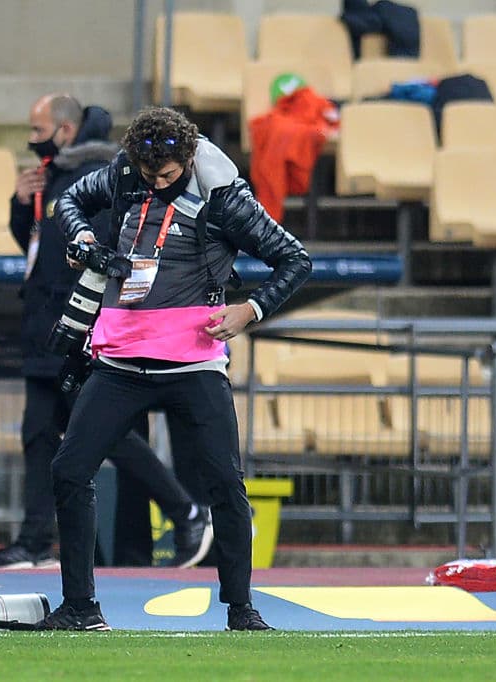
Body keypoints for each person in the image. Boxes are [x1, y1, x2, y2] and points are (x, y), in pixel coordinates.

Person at [40, 106, 312, 632]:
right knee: (69, 469)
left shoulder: (226, 196)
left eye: (166, 175)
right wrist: (84, 239)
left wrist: (249, 311)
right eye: (148, 175)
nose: (156, 183)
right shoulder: (125, 170)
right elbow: (67, 201)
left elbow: (295, 259)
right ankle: (80, 607)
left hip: (195, 362)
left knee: (225, 484)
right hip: (120, 358)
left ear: (188, 158)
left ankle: (241, 609)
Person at [0, 94, 212, 570]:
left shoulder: (99, 178)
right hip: (45, 330)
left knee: (107, 435)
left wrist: (86, 327)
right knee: (39, 436)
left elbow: (95, 257)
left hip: (79, 331)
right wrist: (23, 205)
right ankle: (35, 542)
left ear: (65, 130)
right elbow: (37, 250)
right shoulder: (53, 180)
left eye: (39, 129)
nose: (33, 138)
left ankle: (186, 512)